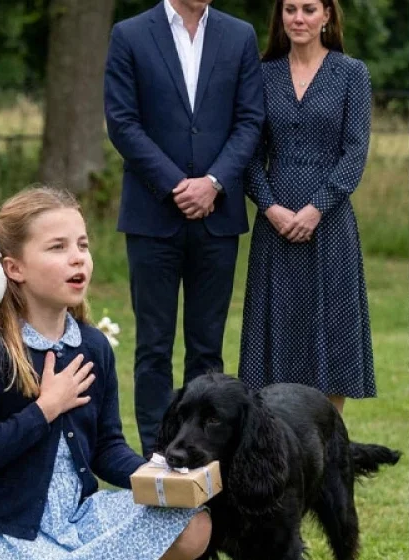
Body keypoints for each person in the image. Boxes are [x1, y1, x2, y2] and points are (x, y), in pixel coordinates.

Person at [0, 187, 212, 560]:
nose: (78, 257)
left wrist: (158, 478)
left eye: (82, 245)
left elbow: (106, 446)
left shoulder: (92, 346)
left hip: (77, 519)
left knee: (194, 524)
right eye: (57, 247)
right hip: (6, 537)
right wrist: (45, 408)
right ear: (14, 268)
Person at [104, 0, 264, 457]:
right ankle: (158, 457)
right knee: (153, 346)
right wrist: (177, 184)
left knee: (207, 348)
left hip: (218, 216)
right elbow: (122, 121)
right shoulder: (130, 35)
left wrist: (213, 183)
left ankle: (199, 455)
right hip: (153, 215)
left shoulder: (239, 36)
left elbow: (250, 119)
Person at [239, 0, 374, 412]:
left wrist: (316, 207)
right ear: (279, 16)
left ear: (327, 15)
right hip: (273, 224)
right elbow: (248, 153)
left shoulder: (352, 73)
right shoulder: (261, 75)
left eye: (309, 9)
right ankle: (276, 445)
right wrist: (271, 207)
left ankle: (326, 446)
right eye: (291, 9)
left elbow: (355, 152)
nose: (299, 18)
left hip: (329, 224)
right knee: (276, 333)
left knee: (330, 336)